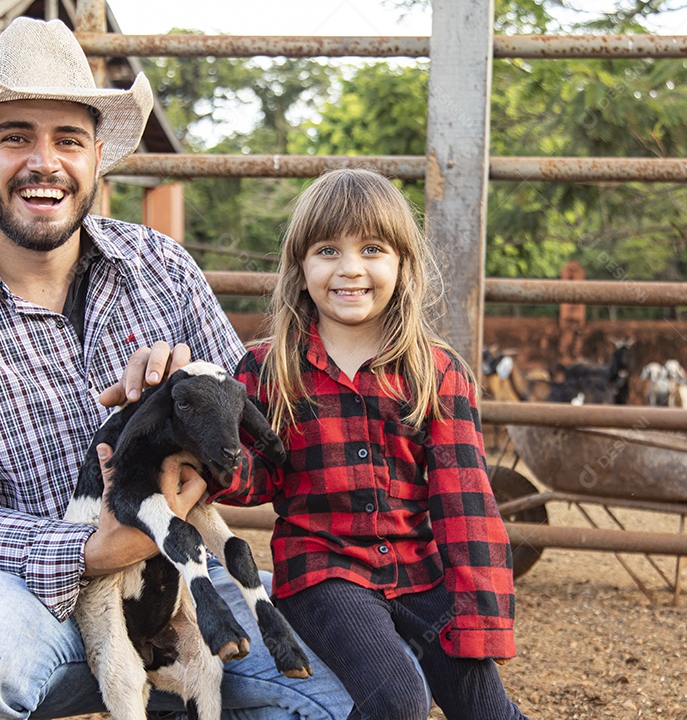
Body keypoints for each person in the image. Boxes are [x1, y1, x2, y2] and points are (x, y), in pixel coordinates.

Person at [0, 17, 363, 719]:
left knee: (344, 696)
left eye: (67, 140)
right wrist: (95, 546)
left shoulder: (163, 267)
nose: (45, 163)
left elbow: (253, 447)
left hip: (185, 579)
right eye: (14, 137)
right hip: (30, 596)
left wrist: (198, 416)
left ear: (96, 156)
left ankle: (166, 691)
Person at [213, 168, 530, 720]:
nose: (350, 268)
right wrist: (211, 458)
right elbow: (259, 476)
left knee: (486, 707)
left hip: (417, 568)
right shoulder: (268, 368)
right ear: (301, 267)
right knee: (398, 697)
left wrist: (477, 619)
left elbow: (467, 505)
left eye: (373, 248)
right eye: (327, 250)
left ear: (402, 263)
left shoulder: (437, 372)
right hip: (323, 573)